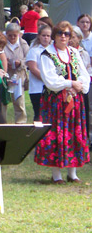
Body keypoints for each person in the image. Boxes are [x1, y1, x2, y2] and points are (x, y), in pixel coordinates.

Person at [34, 21, 90, 183]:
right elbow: (50, 80)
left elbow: (83, 72)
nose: (63, 37)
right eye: (60, 34)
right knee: (56, 134)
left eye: (67, 34)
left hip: (74, 99)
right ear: (54, 36)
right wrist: (69, 83)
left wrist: (79, 86)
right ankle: (56, 174)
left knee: (73, 132)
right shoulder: (47, 54)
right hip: (55, 101)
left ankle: (72, 173)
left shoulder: (74, 52)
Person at [69, 25, 91, 147]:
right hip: (69, 88)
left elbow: (85, 71)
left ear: (79, 38)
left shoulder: (82, 53)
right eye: (69, 37)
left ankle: (83, 141)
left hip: (81, 88)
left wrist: (79, 85)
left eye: (73, 37)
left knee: (83, 116)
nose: (70, 40)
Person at [26, 24, 52, 121]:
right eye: (43, 35)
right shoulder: (34, 51)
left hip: (52, 88)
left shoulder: (53, 50)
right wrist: (48, 79)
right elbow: (33, 69)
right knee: (39, 114)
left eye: (48, 36)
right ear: (39, 36)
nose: (46, 38)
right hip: (37, 89)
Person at [4, 22, 29, 123]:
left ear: (18, 34)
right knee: (3, 102)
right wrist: (5, 63)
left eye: (15, 35)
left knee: (19, 101)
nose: (12, 37)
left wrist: (21, 63)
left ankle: (21, 123)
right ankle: (1, 122)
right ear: (6, 34)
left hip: (18, 77)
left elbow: (29, 59)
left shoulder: (23, 44)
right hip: (5, 76)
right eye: (10, 35)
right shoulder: (3, 43)